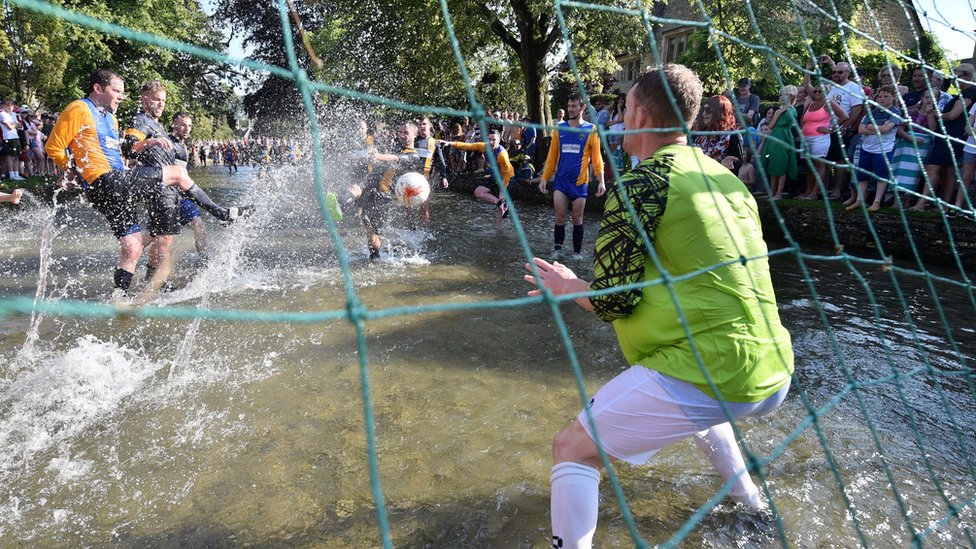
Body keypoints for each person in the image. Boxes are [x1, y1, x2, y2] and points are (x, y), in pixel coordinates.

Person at [521, 64, 793, 549]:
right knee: (704, 410)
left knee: (573, 448)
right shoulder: (728, 180)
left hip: (712, 367)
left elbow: (613, 300)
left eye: (624, 110)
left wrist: (567, 287)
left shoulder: (643, 183)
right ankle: (754, 509)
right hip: (773, 367)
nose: (619, 121)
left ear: (642, 114)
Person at [45, 69, 246, 294]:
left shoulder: (110, 118)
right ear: (98, 88)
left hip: (114, 184)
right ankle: (222, 214)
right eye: (116, 91)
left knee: (132, 248)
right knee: (177, 175)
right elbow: (53, 147)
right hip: (106, 180)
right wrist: (75, 172)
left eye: (122, 92)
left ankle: (118, 300)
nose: (121, 96)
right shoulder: (79, 108)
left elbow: (116, 154)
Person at [538, 95, 605, 259]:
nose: (570, 109)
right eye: (569, 106)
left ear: (582, 108)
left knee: (577, 218)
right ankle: (558, 249)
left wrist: (601, 181)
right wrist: (544, 178)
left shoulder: (591, 129)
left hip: (580, 183)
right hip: (561, 181)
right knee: (560, 216)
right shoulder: (560, 129)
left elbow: (596, 159)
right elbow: (552, 157)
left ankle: (577, 253)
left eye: (574, 106)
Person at [350, 121, 423, 259]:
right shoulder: (396, 148)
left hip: (382, 196)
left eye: (406, 132)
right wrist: (377, 155)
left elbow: (396, 158)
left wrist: (379, 156)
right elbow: (387, 160)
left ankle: (375, 259)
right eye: (400, 132)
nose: (402, 135)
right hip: (371, 187)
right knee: (364, 220)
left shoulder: (414, 156)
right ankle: (340, 202)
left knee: (372, 232)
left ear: (415, 133)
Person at [813, 56, 865, 200]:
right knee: (826, 160)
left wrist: (845, 127)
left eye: (840, 72)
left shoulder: (853, 88)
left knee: (840, 161)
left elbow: (857, 109)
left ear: (848, 73)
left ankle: (836, 191)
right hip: (826, 129)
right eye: (834, 72)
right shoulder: (832, 86)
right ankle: (825, 189)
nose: (836, 74)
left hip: (840, 129)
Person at [845, 84, 903, 212]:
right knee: (862, 176)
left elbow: (886, 129)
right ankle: (859, 200)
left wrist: (870, 127)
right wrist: (877, 128)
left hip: (884, 149)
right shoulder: (872, 112)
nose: (882, 99)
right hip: (867, 147)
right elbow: (861, 130)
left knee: (881, 176)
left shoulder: (896, 112)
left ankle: (876, 202)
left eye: (886, 96)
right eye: (880, 96)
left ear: (893, 97)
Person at [441, 128, 514, 229]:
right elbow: (468, 146)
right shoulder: (484, 146)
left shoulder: (502, 154)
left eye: (494, 140)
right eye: (490, 139)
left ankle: (498, 229)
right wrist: (450, 143)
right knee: (478, 192)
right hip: (494, 177)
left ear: (499, 140)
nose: (491, 142)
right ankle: (500, 204)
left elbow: (506, 175)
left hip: (506, 179)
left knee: (501, 201)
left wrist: (502, 191)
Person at [797, 84, 848, 199]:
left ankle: (815, 192)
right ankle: (808, 191)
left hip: (819, 138)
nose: (817, 93)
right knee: (809, 165)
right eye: (815, 91)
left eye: (821, 91)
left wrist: (830, 129)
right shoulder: (810, 104)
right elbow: (803, 119)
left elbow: (844, 116)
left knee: (819, 164)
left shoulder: (829, 104)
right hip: (806, 138)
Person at [759, 85, 799, 200]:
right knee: (773, 163)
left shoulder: (791, 110)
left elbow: (774, 125)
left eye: (784, 94)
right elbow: (771, 126)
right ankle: (772, 192)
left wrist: (777, 114)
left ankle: (779, 193)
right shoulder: (781, 109)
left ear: (791, 96)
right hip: (775, 137)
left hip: (783, 137)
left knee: (781, 165)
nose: (781, 96)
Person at [693, 94, 743, 173]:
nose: (704, 114)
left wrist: (726, 165)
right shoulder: (698, 134)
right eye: (703, 110)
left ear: (719, 112)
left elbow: (739, 166)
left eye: (708, 110)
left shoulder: (733, 136)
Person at [414, 116, 449, 227]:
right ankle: (410, 229)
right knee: (408, 207)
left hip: (425, 179)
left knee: (424, 207)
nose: (421, 126)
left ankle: (423, 231)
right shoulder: (413, 141)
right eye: (419, 124)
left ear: (430, 126)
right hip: (411, 177)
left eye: (424, 124)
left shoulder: (434, 142)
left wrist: (444, 177)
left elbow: (441, 161)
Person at [0, 100, 24, 181]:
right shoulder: (2, 114)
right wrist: (14, 124)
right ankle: (11, 174)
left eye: (11, 105)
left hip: (15, 136)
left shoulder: (13, 114)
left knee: (16, 156)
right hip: (8, 137)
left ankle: (16, 174)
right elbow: (9, 127)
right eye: (8, 105)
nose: (10, 107)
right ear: (4, 106)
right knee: (10, 157)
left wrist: (14, 124)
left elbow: (19, 125)